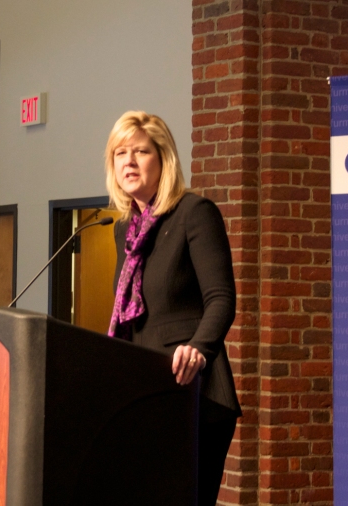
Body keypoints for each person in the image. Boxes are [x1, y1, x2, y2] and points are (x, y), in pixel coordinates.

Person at [106, 110, 242, 505]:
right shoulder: (123, 230)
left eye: (140, 152)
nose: (128, 161)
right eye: (120, 153)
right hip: (143, 391)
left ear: (163, 158)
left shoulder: (194, 213)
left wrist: (199, 348)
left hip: (191, 390)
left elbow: (221, 298)